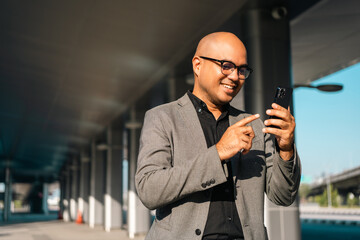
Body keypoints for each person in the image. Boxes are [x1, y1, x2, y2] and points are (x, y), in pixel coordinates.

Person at [135, 32, 301, 240]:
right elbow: (149, 191)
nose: (234, 77)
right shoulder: (162, 118)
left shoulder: (254, 126)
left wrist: (286, 149)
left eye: (242, 70)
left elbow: (283, 196)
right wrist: (218, 153)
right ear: (198, 65)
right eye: (226, 65)